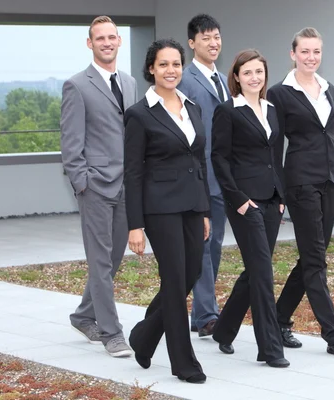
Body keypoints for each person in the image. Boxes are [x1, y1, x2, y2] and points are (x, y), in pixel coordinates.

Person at [267, 27, 334, 358]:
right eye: (305, 51)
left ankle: (278, 319)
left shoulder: (329, 89)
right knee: (316, 260)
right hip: (301, 182)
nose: (311, 58)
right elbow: (274, 147)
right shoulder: (280, 93)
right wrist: (276, 193)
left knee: (311, 257)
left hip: (331, 182)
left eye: (316, 52)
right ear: (293, 54)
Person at [124, 38, 211, 384]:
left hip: (192, 205)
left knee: (189, 276)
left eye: (176, 64)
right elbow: (132, 173)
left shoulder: (193, 108)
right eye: (163, 64)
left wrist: (204, 209)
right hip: (159, 209)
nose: (171, 70)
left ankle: (144, 337)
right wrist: (135, 225)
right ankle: (184, 362)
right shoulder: (139, 114)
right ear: (151, 69)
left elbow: (199, 162)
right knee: (174, 281)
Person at [60, 15, 137, 358]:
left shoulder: (132, 83)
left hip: (126, 187)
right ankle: (111, 333)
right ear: (90, 44)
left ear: (119, 41)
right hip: (96, 188)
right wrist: (83, 185)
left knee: (113, 258)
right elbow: (70, 142)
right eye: (100, 38)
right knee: (101, 262)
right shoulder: (77, 85)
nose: (107, 42)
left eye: (112, 37)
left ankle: (82, 315)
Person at [211, 49, 289, 368]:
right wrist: (239, 199)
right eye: (247, 73)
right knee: (263, 273)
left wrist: (281, 196)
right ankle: (269, 348)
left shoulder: (272, 110)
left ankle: (223, 330)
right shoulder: (227, 111)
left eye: (259, 72)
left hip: (272, 199)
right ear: (237, 77)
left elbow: (276, 156)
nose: (254, 77)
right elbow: (219, 158)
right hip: (244, 202)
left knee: (256, 269)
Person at [177, 14, 230, 338]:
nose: (213, 43)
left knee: (216, 244)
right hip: (200, 177)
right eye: (206, 37)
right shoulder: (184, 79)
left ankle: (201, 314)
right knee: (203, 245)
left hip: (224, 178)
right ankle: (207, 314)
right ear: (192, 43)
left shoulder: (224, 80)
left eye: (217, 37)